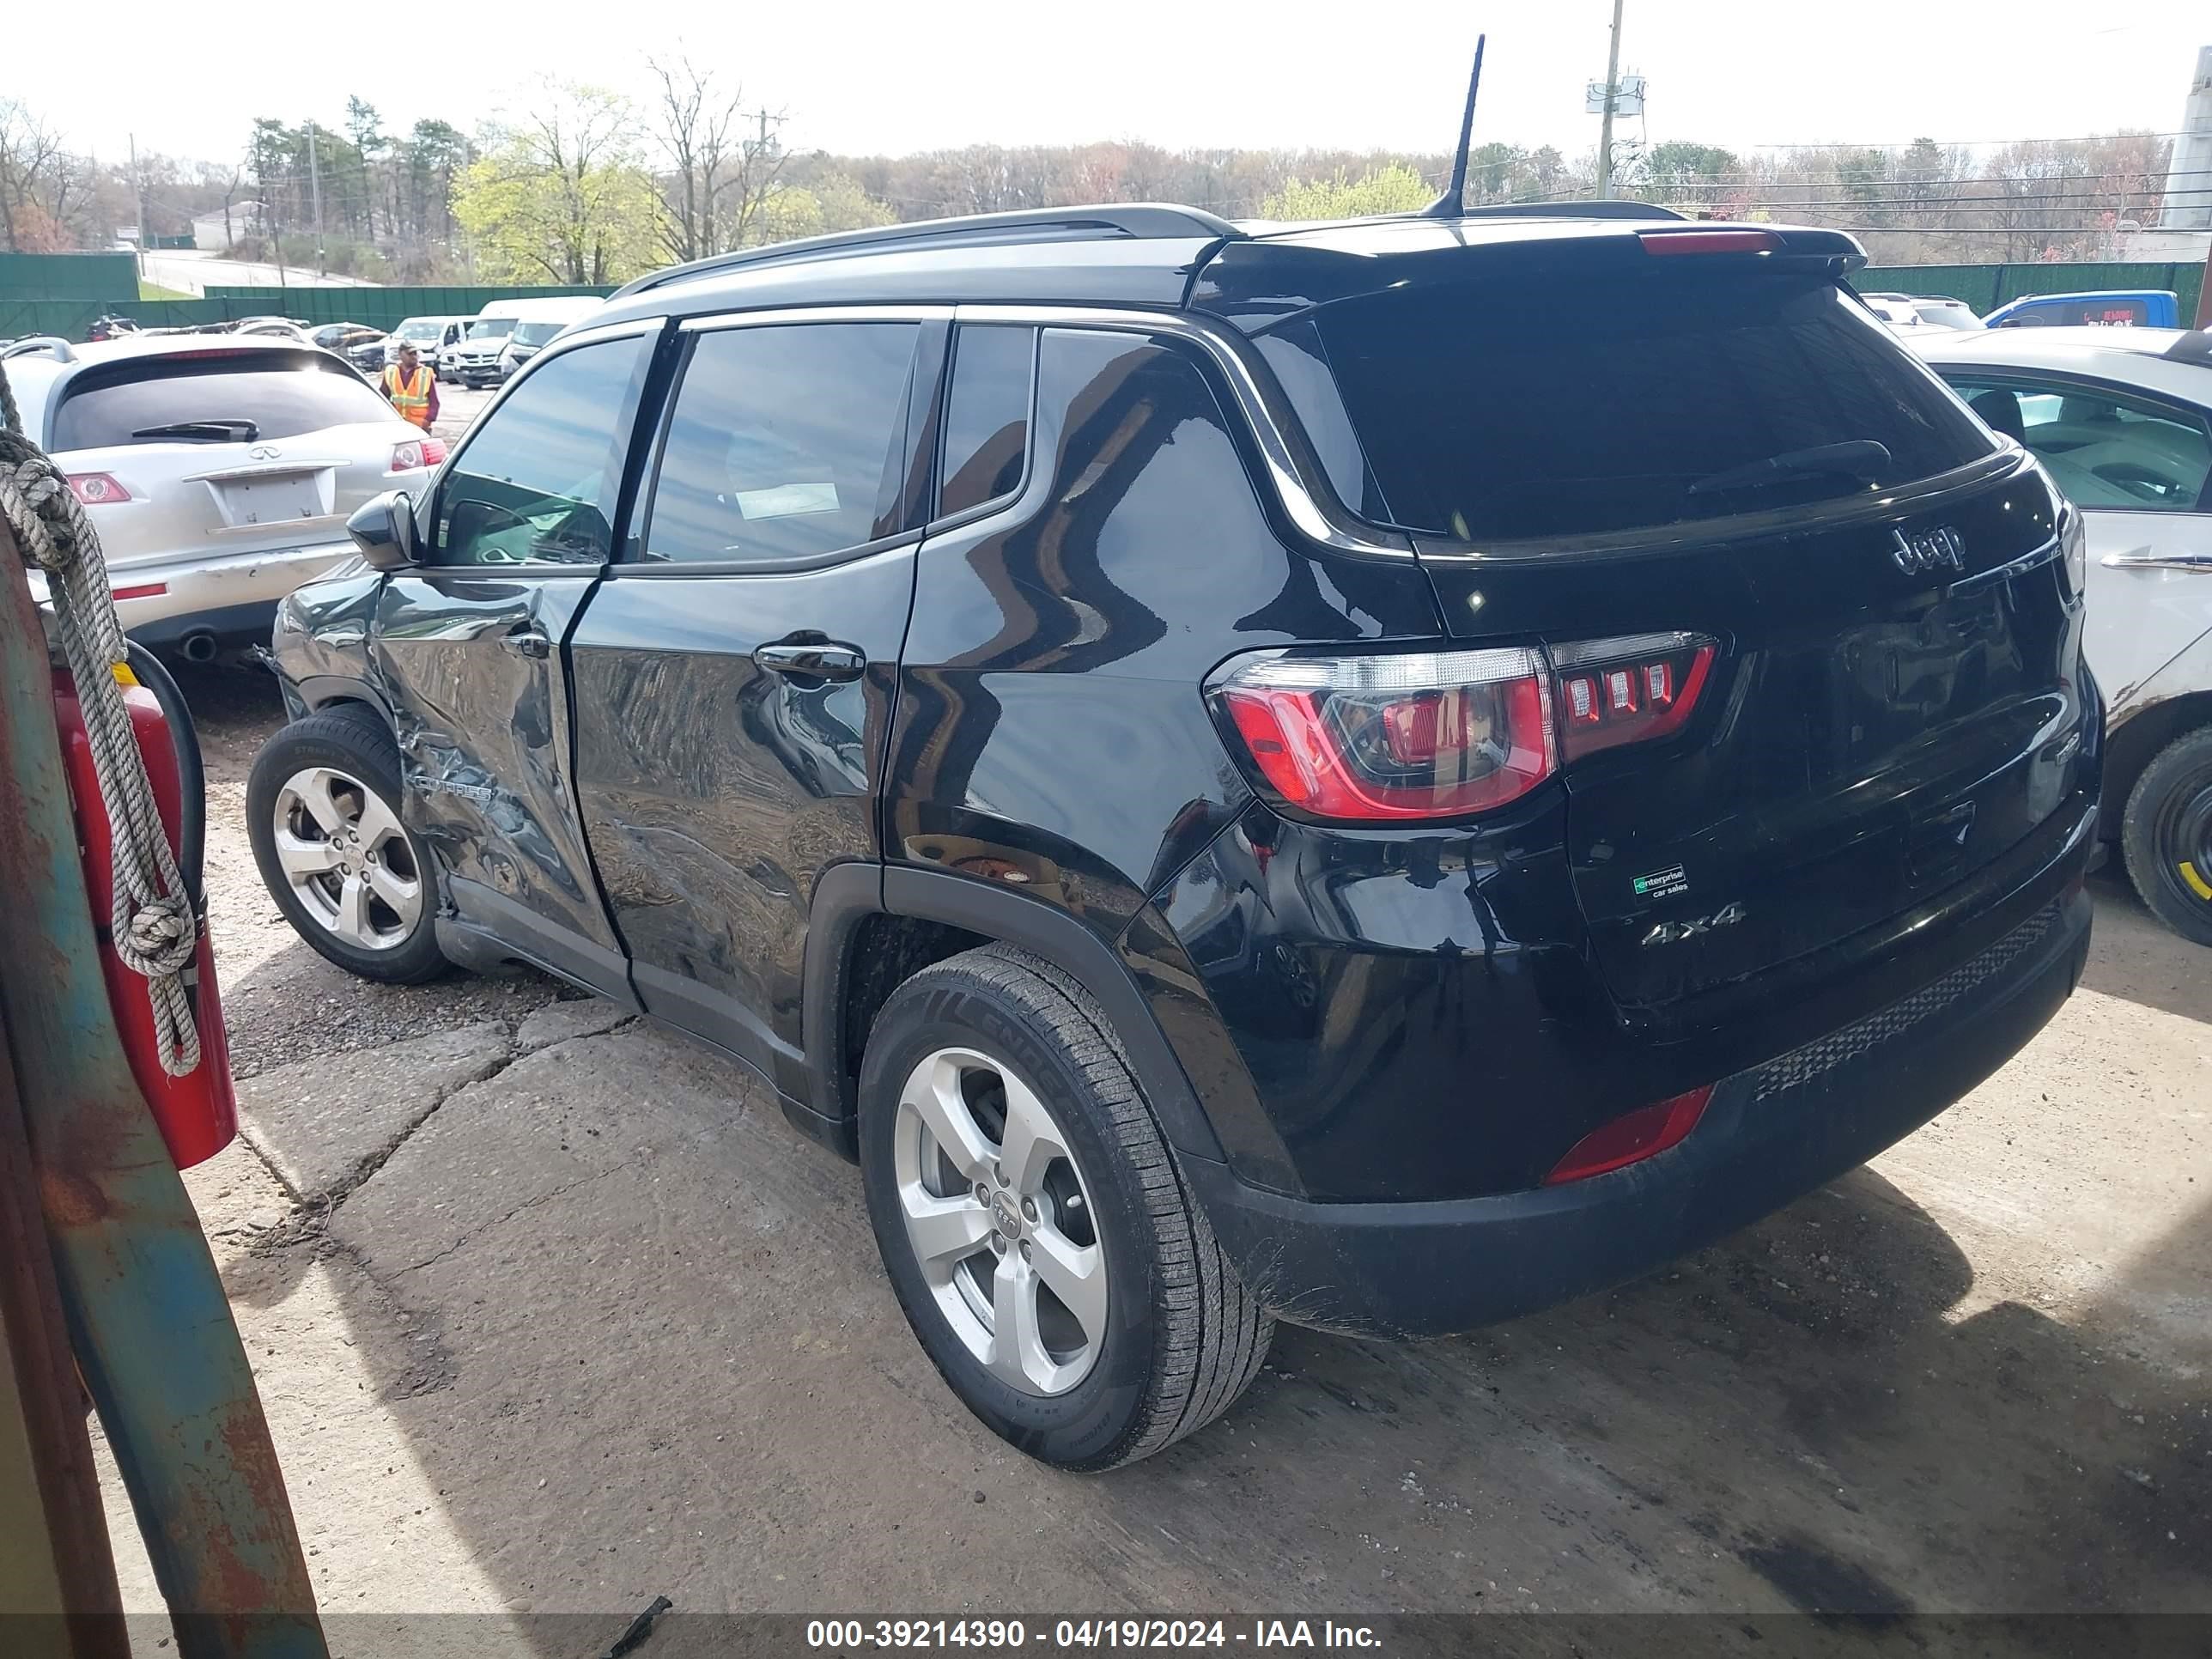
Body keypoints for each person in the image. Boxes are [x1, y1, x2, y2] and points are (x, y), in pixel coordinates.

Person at [380, 343, 439, 430]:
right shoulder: (391, 371)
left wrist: (428, 420)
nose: (414, 357)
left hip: (420, 425)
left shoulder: (425, 373)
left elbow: (434, 402)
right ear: (400, 354)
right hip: (398, 425)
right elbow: (383, 398)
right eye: (410, 354)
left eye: (415, 353)